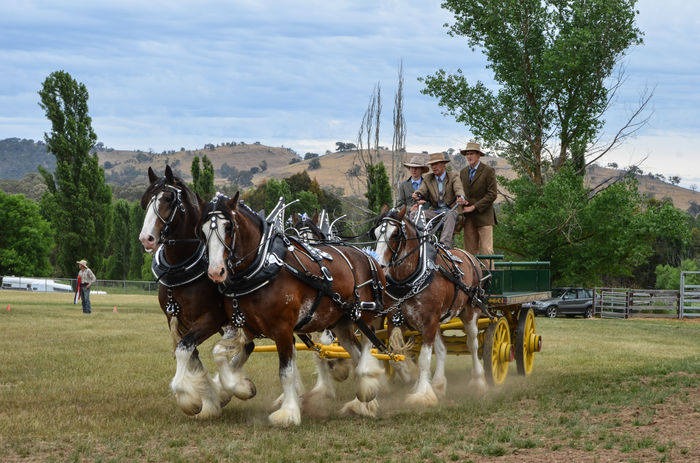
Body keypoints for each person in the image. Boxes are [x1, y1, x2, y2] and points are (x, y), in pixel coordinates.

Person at [412, 152, 466, 248]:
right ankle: (416, 243)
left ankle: (443, 245)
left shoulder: (453, 176)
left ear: (443, 164)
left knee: (450, 213)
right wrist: (417, 194)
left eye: (436, 164)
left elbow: (459, 188)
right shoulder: (428, 178)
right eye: (432, 165)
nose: (434, 167)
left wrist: (460, 197)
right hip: (435, 212)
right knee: (414, 214)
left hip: (451, 211)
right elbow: (422, 190)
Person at [459, 142, 498, 267]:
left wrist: (474, 207)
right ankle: (472, 282)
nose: (469, 156)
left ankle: (490, 281)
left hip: (484, 217)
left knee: (486, 251)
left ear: (478, 155)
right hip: (468, 218)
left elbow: (492, 194)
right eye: (467, 154)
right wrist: (462, 200)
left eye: (472, 154)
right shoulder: (463, 172)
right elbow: (462, 192)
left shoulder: (488, 171)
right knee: (469, 252)